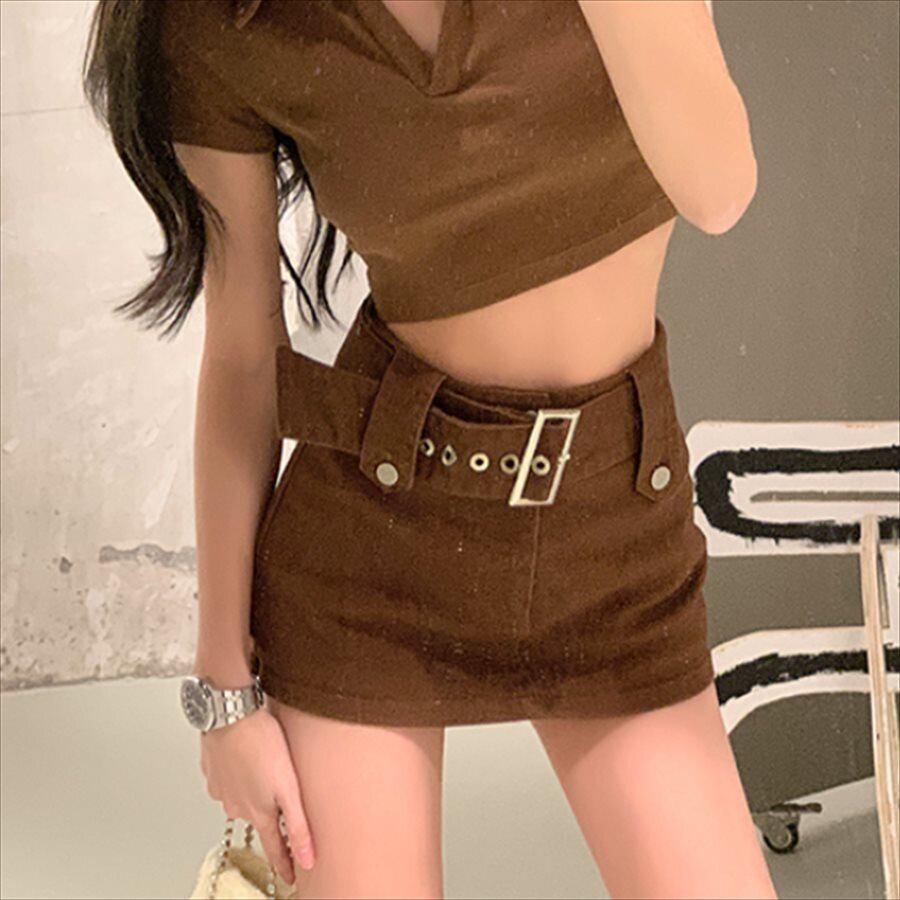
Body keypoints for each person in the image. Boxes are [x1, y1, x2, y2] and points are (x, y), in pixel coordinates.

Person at [83, 1, 775, 897]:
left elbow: (719, 190)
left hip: (614, 539)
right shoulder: (222, 22)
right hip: (372, 553)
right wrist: (225, 696)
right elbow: (245, 359)